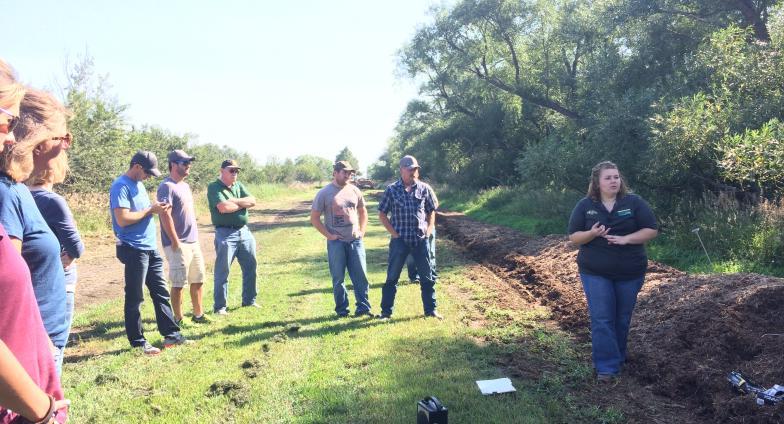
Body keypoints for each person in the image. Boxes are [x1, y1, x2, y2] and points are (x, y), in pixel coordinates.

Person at [0, 59, 68, 423]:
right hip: (19, 382)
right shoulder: (6, 194)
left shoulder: (16, 189)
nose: (9, 135)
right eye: (59, 137)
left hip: (34, 358)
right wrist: (39, 409)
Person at [567, 161, 658, 382]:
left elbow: (651, 230)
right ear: (597, 183)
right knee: (602, 318)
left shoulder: (633, 202)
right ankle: (606, 368)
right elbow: (574, 237)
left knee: (621, 318)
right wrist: (592, 233)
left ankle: (616, 357)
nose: (613, 181)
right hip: (595, 270)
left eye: (616, 177)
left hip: (630, 271)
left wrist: (626, 239)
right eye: (608, 178)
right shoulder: (585, 205)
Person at [18, 88, 83, 377]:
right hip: (37, 337)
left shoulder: (20, 192)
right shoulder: (15, 195)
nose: (66, 146)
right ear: (36, 140)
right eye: (63, 137)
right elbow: (77, 248)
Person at [110, 150, 188, 355]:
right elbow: (123, 219)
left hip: (149, 247)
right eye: (147, 172)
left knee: (160, 292)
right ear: (136, 166)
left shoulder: (140, 185)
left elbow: (145, 212)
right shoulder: (121, 186)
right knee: (135, 297)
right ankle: (138, 342)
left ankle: (172, 334)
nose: (148, 177)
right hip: (133, 248)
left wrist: (159, 209)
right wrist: (150, 211)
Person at [378, 155, 441, 320]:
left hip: (420, 240)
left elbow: (431, 211)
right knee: (392, 277)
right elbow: (382, 214)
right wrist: (394, 234)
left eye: (415, 169)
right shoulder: (391, 190)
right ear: (402, 170)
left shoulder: (424, 188)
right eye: (410, 169)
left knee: (427, 278)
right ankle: (386, 312)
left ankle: (431, 310)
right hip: (400, 241)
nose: (413, 172)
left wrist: (428, 231)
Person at [310, 161, 373, 317]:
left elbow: (363, 212)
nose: (348, 175)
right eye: (345, 172)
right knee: (338, 278)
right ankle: (342, 310)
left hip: (355, 241)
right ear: (335, 173)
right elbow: (315, 218)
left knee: (361, 276)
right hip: (336, 242)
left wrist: (362, 231)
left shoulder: (355, 190)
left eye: (350, 173)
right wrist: (329, 235)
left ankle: (363, 309)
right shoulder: (324, 193)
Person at [157, 149, 210, 325]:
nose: (189, 166)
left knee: (198, 279)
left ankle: (198, 314)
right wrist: (174, 241)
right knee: (179, 283)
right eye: (184, 163)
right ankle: (178, 319)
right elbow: (165, 215)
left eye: (189, 163)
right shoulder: (166, 186)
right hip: (178, 243)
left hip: (193, 242)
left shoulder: (185, 186)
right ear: (173, 164)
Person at [207, 159, 258, 314]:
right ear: (222, 171)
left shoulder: (238, 186)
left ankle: (249, 301)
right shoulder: (214, 187)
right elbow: (223, 208)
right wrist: (242, 204)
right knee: (223, 271)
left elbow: (253, 201)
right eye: (231, 170)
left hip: (244, 231)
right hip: (225, 233)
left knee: (251, 267)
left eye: (237, 171)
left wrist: (235, 201)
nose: (235, 173)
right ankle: (220, 307)